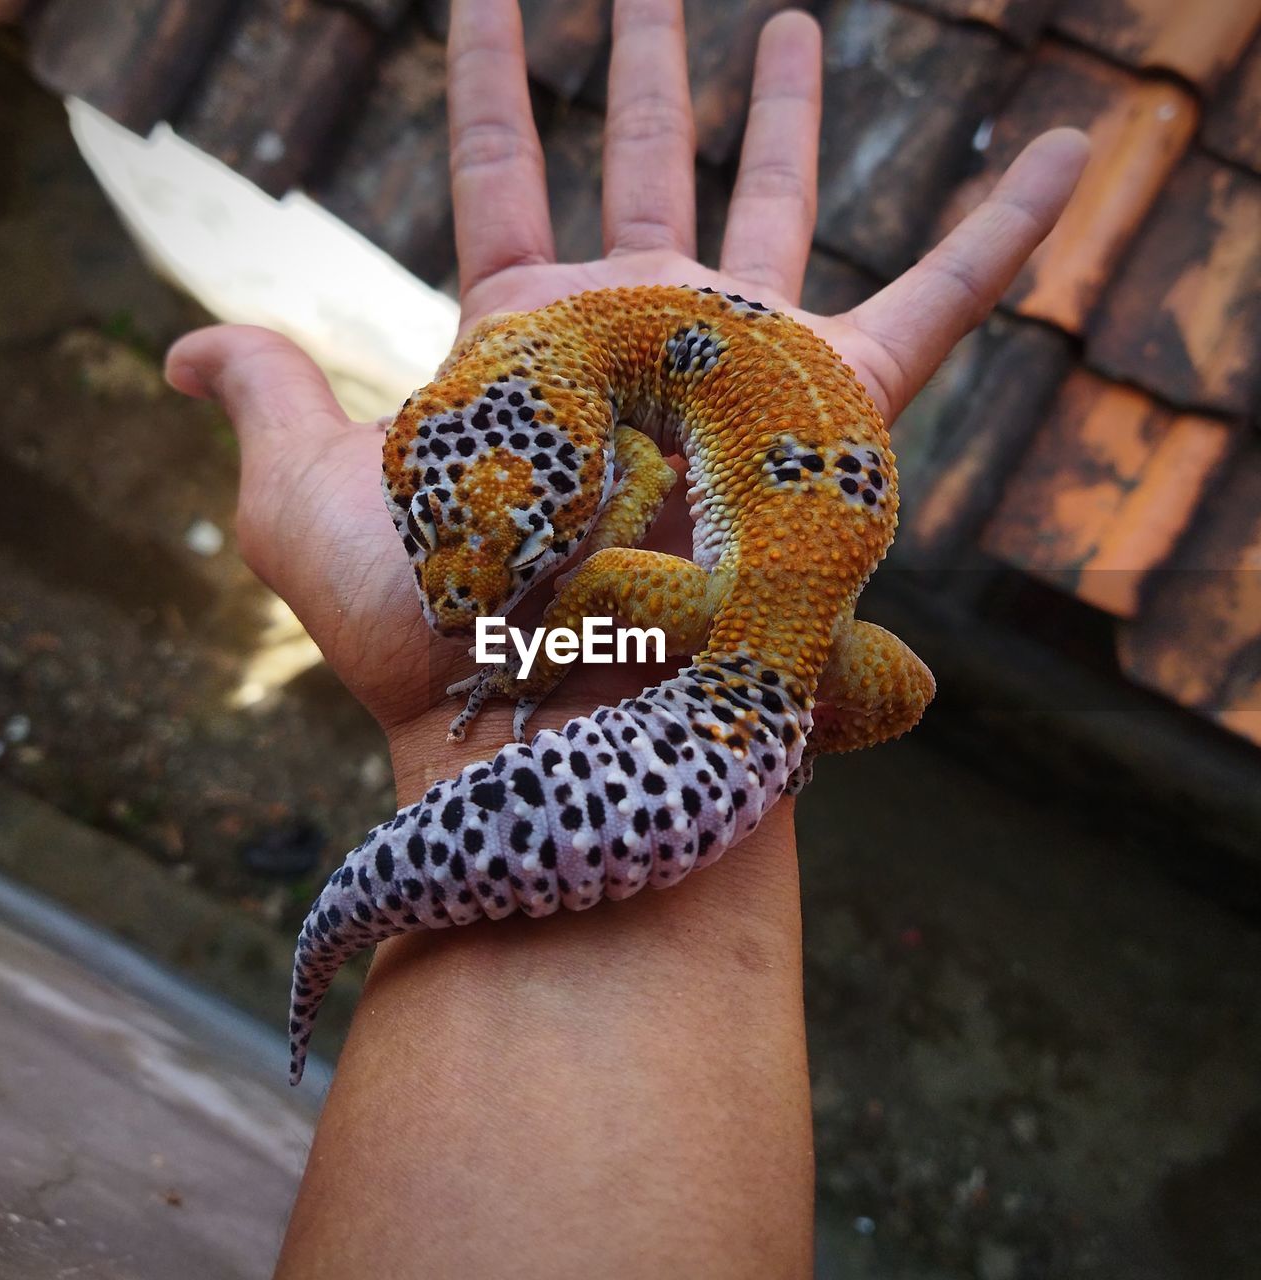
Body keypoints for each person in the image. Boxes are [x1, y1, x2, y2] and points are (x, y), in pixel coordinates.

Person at [166, 2, 1088, 1274]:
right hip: (811, 652)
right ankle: (785, 726)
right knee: (894, 680)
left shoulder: (593, 425)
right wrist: (790, 711)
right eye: (440, 541)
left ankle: (742, 713)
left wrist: (516, 654)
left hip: (730, 627)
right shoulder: (573, 384)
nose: (456, 593)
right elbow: (616, 465)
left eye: (500, 555)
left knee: (579, 618)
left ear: (600, 470)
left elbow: (629, 473)